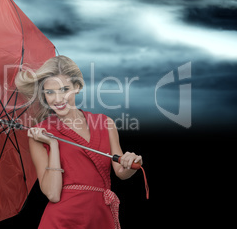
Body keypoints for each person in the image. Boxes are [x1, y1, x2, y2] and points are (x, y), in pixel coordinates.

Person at [15, 55, 143, 229]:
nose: (58, 99)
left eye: (64, 89)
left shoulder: (105, 123)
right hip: (61, 221)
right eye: (50, 92)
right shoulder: (40, 134)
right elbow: (53, 194)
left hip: (100, 217)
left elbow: (121, 172)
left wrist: (131, 163)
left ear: (77, 86)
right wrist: (53, 144)